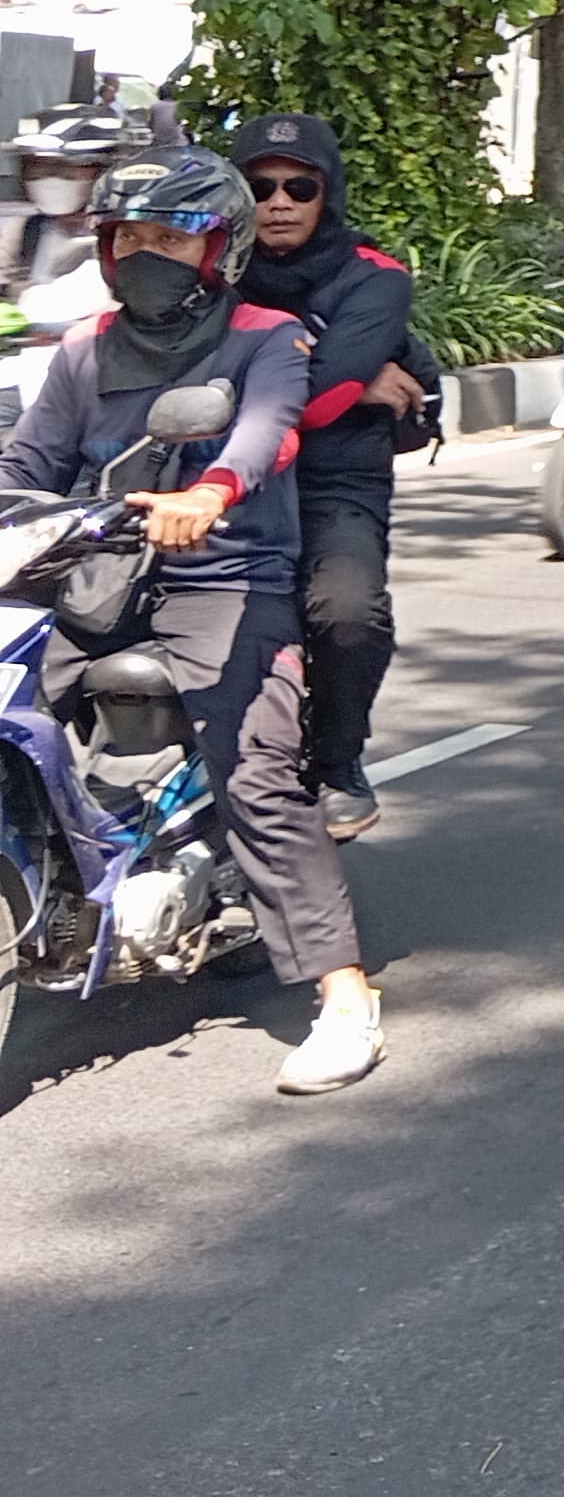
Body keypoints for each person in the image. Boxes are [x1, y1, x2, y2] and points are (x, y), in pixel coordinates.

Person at [0, 147, 381, 1092]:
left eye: (170, 237)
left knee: (254, 770)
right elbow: (28, 466)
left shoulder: (268, 336)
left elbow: (262, 431)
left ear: (220, 249)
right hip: (92, 572)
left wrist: (210, 492)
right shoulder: (84, 348)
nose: (146, 255)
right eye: (129, 236)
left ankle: (345, 999)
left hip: (225, 576)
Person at [226, 115, 428, 839]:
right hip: (211, 475)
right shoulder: (205, 269)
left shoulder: (374, 277)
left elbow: (309, 399)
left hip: (333, 480)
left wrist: (330, 384)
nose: (280, 201)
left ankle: (340, 759)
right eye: (261, 186)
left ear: (326, 192)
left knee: (347, 613)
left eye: (299, 185)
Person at [3, 102, 129, 306]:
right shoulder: (26, 231)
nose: (49, 178)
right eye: (36, 167)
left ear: (104, 169)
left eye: (66, 168)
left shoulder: (129, 236)